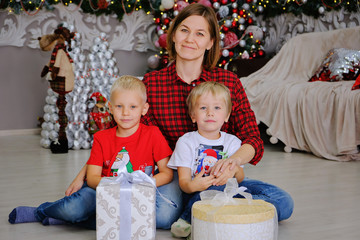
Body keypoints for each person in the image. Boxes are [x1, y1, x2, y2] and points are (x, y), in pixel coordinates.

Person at [65, 3, 293, 229]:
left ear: (210, 42)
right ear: (173, 35)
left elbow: (251, 136)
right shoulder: (152, 85)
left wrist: (232, 163)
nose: (189, 39)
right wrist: (85, 172)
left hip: (218, 174)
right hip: (174, 176)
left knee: (283, 203)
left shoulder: (228, 83)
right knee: (163, 216)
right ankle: (203, 209)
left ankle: (201, 206)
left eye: (200, 33)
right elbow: (126, 134)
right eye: (184, 30)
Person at [8, 75, 174, 229]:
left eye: (133, 106)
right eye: (119, 106)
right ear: (109, 107)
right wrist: (114, 187)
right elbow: (93, 177)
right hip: (102, 190)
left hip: (138, 194)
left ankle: (68, 219)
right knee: (72, 209)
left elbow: (166, 173)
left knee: (141, 218)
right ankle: (41, 211)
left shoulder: (153, 134)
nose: (125, 113)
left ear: (144, 109)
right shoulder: (102, 138)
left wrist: (144, 184)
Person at [168, 81, 245, 238]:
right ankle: (186, 219)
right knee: (210, 192)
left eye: (217, 108)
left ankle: (244, 208)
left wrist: (235, 170)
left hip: (227, 189)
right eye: (203, 108)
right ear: (193, 116)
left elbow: (240, 178)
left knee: (279, 197)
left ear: (227, 115)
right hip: (197, 192)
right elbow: (184, 183)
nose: (210, 113)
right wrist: (193, 185)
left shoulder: (233, 142)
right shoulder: (186, 142)